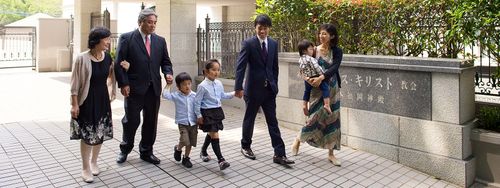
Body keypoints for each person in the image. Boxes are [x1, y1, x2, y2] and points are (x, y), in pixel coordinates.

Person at [114, 8, 173, 165]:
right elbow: (119, 63)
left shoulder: (160, 41)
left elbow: (165, 62)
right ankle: (125, 149)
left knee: (151, 121)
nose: (153, 25)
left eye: (155, 23)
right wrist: (124, 83)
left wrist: (168, 73)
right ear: (140, 22)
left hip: (153, 89)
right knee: (131, 121)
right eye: (149, 22)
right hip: (133, 88)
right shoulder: (127, 38)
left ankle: (146, 151)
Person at [234, 14, 294, 166]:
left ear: (269, 29)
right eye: (260, 28)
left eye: (265, 28)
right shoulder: (248, 44)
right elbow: (240, 67)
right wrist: (238, 87)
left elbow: (274, 67)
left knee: (273, 121)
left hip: (269, 91)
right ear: (255, 28)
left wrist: (274, 85)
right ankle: (245, 146)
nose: (262, 31)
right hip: (253, 90)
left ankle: (279, 154)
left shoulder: (273, 43)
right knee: (250, 119)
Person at [291, 24, 343, 166]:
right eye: (320, 33)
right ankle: (298, 139)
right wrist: (309, 80)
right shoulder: (314, 50)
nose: (321, 36)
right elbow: (303, 68)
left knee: (332, 120)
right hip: (316, 90)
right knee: (313, 118)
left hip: (332, 90)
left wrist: (321, 77)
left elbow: (335, 67)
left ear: (332, 36)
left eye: (324, 34)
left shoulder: (337, 51)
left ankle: (331, 154)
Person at [70, 26, 116, 183]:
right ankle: (85, 167)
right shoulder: (82, 58)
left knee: (100, 131)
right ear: (96, 41)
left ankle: (94, 161)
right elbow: (74, 85)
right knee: (88, 134)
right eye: (107, 39)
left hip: (102, 100)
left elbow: (111, 75)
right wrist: (74, 105)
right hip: (87, 100)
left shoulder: (107, 57)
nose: (109, 42)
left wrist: (111, 90)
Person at [195, 59, 234, 171]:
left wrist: (234, 93)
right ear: (206, 71)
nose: (216, 72)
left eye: (218, 69)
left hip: (217, 111)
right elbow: (197, 102)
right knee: (214, 134)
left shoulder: (219, 83)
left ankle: (203, 151)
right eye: (213, 69)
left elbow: (222, 95)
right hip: (207, 112)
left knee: (212, 133)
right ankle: (221, 160)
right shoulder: (202, 86)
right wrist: (198, 115)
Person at [162, 72, 197, 168]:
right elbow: (165, 95)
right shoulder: (176, 95)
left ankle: (186, 158)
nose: (187, 86)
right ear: (178, 86)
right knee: (185, 141)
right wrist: (168, 85)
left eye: (189, 83)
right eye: (184, 84)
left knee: (191, 142)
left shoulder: (194, 95)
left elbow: (199, 107)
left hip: (193, 123)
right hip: (182, 123)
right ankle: (178, 148)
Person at [297, 39, 332, 115]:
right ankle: (326, 104)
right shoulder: (311, 59)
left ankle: (304, 105)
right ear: (304, 51)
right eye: (310, 49)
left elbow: (301, 70)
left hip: (307, 79)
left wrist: (306, 78)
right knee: (325, 88)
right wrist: (322, 74)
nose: (312, 50)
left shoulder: (300, 59)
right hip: (316, 76)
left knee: (307, 91)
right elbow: (317, 67)